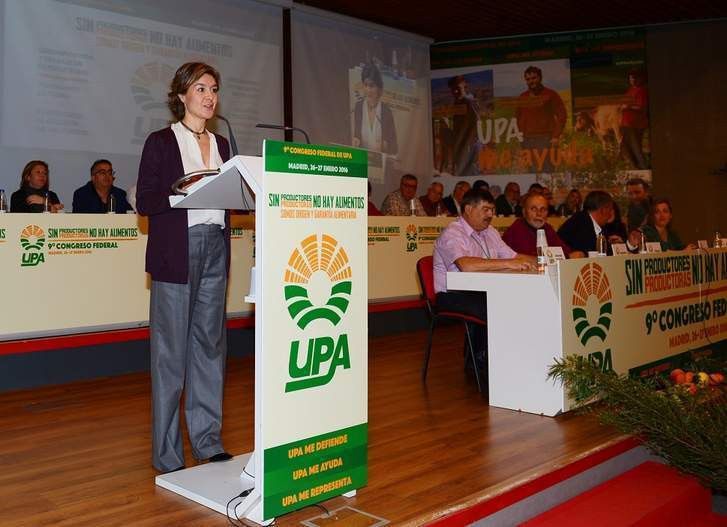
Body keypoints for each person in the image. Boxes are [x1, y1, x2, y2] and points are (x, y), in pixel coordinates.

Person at [136, 62, 233, 474]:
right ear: (181, 95)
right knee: (171, 355)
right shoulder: (161, 141)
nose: (209, 96)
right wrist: (183, 190)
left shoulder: (225, 144)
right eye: (200, 89)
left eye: (213, 88)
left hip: (216, 246)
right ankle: (168, 453)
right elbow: (145, 201)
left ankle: (208, 442)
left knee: (210, 348)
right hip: (177, 249)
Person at [433, 189, 536, 367]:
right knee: (498, 306)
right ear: (468, 209)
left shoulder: (490, 232)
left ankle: (510, 360)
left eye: (492, 210)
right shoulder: (452, 233)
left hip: (480, 292)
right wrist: (507, 264)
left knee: (519, 301)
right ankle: (484, 362)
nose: (491, 215)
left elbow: (514, 256)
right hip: (451, 295)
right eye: (486, 209)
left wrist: (548, 261)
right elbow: (466, 265)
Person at [516, 66, 567, 173]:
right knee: (531, 171)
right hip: (527, 140)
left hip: (546, 139)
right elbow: (518, 117)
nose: (531, 81)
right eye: (528, 79)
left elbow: (562, 115)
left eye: (534, 78)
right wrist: (520, 136)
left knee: (547, 170)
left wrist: (555, 136)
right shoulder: (522, 97)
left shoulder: (550, 94)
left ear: (540, 78)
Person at [502, 192, 579, 258]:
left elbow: (564, 252)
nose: (539, 214)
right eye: (534, 209)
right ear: (524, 212)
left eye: (543, 209)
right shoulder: (516, 229)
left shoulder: (547, 229)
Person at [352, 62, 397, 155]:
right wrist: (356, 140)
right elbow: (357, 136)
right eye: (365, 85)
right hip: (363, 163)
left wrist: (383, 146)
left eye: (372, 86)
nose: (368, 90)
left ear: (379, 88)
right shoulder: (359, 108)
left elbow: (394, 148)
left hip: (381, 165)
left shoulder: (386, 111)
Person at [557, 190, 615, 254]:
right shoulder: (580, 222)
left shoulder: (598, 226)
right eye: (610, 209)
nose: (611, 213)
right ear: (603, 210)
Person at [448, 75, 481, 178]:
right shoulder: (456, 103)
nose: (456, 92)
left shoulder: (468, 102)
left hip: (469, 143)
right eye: (454, 89)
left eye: (459, 88)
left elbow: (476, 121)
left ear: (464, 87)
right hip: (460, 142)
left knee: (470, 168)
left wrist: (469, 141)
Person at [620, 69, 649, 170]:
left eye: (635, 78)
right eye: (631, 78)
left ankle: (643, 169)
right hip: (627, 124)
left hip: (635, 124)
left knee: (635, 148)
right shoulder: (631, 89)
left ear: (640, 79)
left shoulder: (642, 91)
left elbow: (641, 107)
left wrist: (627, 107)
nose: (632, 80)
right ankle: (636, 168)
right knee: (625, 147)